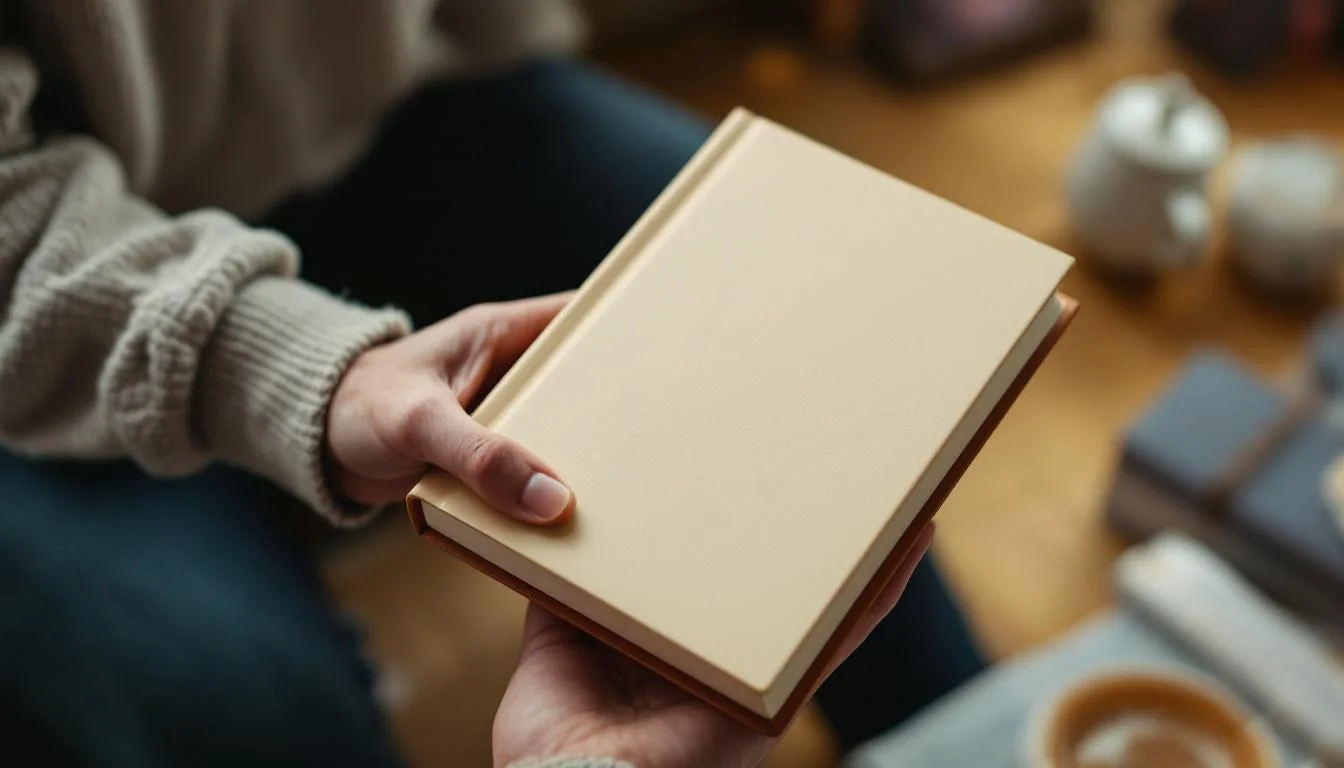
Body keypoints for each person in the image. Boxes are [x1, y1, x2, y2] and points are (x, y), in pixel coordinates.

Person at [0, 2, 987, 766]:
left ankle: (972, 731)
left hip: (402, 110)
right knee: (252, 712)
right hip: (36, 283)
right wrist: (295, 368)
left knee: (821, 394)